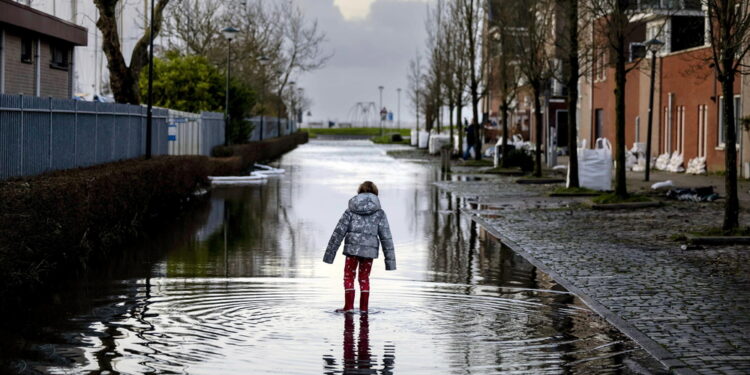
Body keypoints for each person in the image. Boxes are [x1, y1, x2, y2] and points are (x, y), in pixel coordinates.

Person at [323, 181, 396, 313]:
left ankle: (349, 307)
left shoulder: (350, 211)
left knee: (349, 276)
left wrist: (329, 256)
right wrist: (390, 263)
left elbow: (338, 233)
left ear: (359, 193)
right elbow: (386, 237)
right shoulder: (379, 213)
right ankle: (364, 309)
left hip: (352, 250)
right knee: (364, 278)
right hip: (369, 252)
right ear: (375, 194)